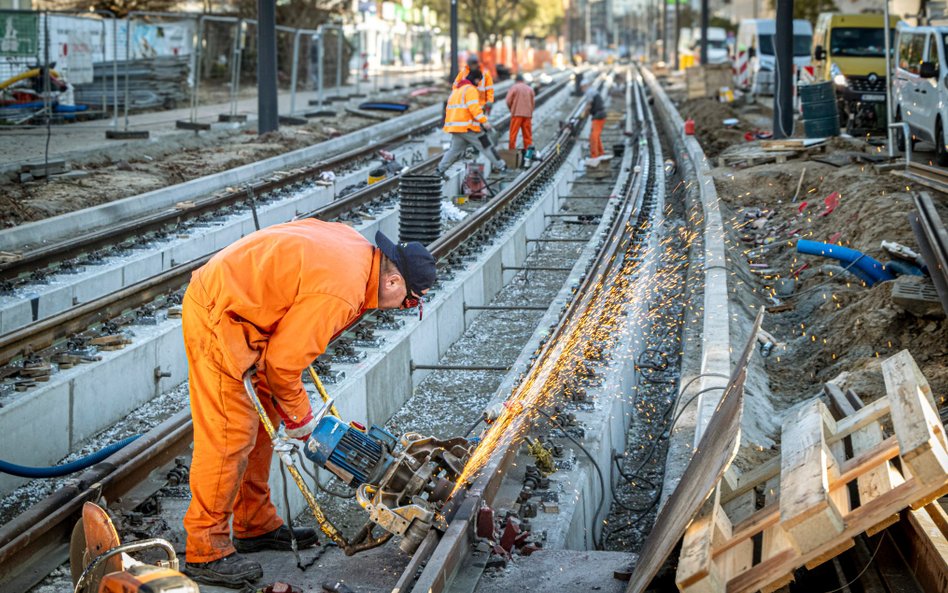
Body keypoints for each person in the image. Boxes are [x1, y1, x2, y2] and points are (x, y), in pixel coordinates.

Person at [181, 221, 436, 588]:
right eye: (410, 301)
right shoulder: (342, 291)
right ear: (395, 283)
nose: (403, 308)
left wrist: (290, 409)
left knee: (263, 424)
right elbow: (283, 365)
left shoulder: (359, 253)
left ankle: (254, 524)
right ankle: (205, 548)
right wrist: (302, 421)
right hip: (220, 315)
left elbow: (289, 345)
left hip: (251, 316)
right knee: (230, 434)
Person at [436, 68, 507, 176]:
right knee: (487, 146)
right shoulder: (470, 90)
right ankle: (502, 166)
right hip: (469, 128)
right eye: (479, 80)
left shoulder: (456, 91)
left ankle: (439, 170)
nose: (479, 83)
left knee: (454, 150)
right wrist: (484, 121)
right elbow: (474, 108)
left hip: (456, 128)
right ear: (476, 79)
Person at [505, 74, 535, 152]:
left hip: (516, 114)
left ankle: (512, 152)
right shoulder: (529, 88)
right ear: (523, 80)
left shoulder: (514, 87)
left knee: (513, 134)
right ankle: (528, 154)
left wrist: (511, 108)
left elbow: (508, 100)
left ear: (516, 81)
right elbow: (532, 102)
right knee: (527, 135)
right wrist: (530, 112)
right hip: (527, 115)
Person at [585, 84, 608, 162]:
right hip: (601, 115)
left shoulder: (589, 92)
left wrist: (585, 113)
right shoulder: (594, 91)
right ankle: (601, 153)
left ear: (584, 86)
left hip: (598, 116)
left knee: (593, 137)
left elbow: (589, 104)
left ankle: (594, 156)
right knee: (596, 136)